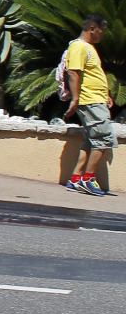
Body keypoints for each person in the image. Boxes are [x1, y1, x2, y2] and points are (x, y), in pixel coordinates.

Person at [64, 13, 116, 196]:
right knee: (103, 139)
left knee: (91, 140)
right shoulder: (78, 47)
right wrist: (75, 99)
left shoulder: (88, 48)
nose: (103, 34)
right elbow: (73, 73)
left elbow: (92, 75)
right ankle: (88, 179)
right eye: (102, 30)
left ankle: (76, 179)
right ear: (93, 28)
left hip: (96, 99)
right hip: (90, 101)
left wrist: (105, 95)